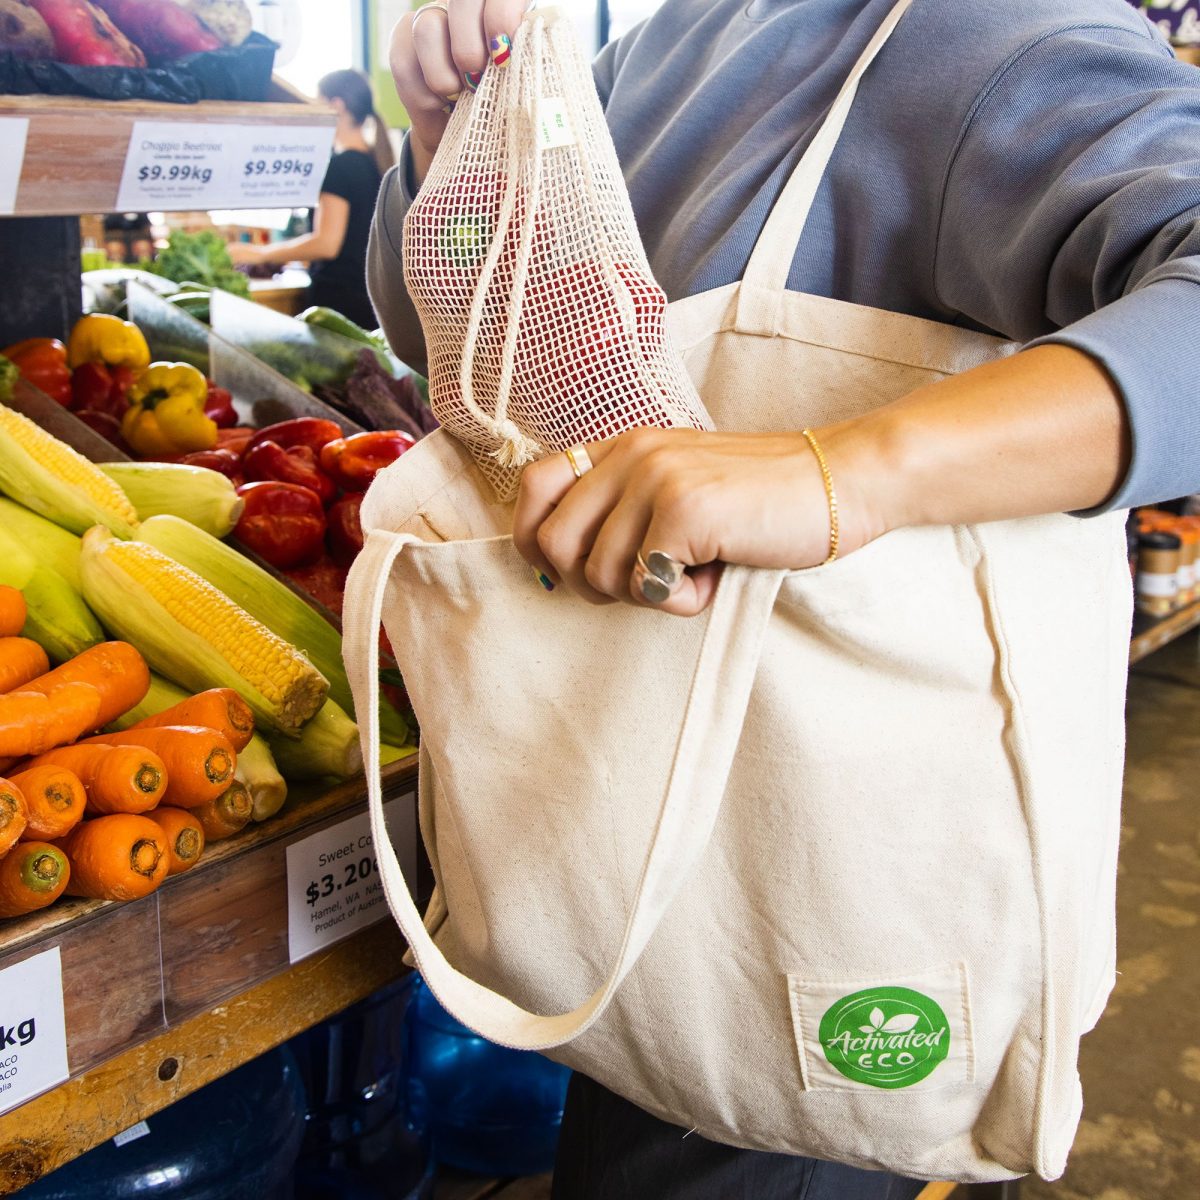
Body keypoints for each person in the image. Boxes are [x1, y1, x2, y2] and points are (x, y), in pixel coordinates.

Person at [368, 0, 1200, 1195]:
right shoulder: (648, 53)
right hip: (631, 855)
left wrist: (846, 471)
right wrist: (455, 140)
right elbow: (449, 340)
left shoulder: (998, 38)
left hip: (828, 887)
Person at [230, 68, 394, 328]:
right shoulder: (378, 163)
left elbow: (327, 244)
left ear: (336, 106)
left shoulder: (340, 167)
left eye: (317, 103)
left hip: (340, 307)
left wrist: (258, 253)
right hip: (370, 302)